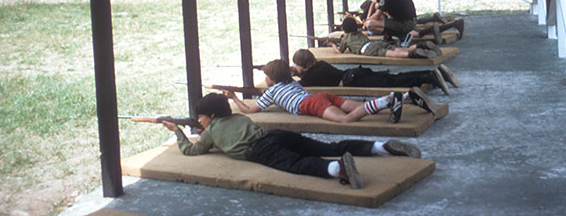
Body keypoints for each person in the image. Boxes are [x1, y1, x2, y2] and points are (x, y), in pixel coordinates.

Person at [162, 93, 422, 189]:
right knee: (328, 147)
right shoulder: (239, 118)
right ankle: (380, 147)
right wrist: (203, 130)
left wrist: (177, 131)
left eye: (202, 118)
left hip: (260, 150)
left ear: (211, 116)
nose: (201, 121)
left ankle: (337, 169)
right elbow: (221, 132)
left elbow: (192, 151)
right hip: (275, 135)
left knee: (297, 164)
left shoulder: (210, 133)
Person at [224, 59, 404, 123]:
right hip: (320, 97)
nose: (265, 80)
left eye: (266, 76)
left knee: (345, 120)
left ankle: (384, 101)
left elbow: (249, 111)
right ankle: (390, 100)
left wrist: (233, 97)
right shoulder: (293, 83)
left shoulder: (271, 93)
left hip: (311, 104)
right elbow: (283, 95)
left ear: (272, 78)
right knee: (359, 107)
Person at [292, 48, 459, 95]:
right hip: (355, 72)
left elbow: (299, 84)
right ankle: (437, 72)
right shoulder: (320, 64)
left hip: (352, 80)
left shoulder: (309, 77)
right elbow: (306, 74)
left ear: (300, 64)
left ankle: (429, 77)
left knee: (393, 82)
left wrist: (291, 73)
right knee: (394, 77)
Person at [335, 16, 441, 59]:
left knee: (394, 54)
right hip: (375, 43)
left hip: (367, 50)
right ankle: (421, 45)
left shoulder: (346, 39)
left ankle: (413, 54)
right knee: (400, 49)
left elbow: (340, 52)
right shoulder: (359, 33)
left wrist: (332, 45)